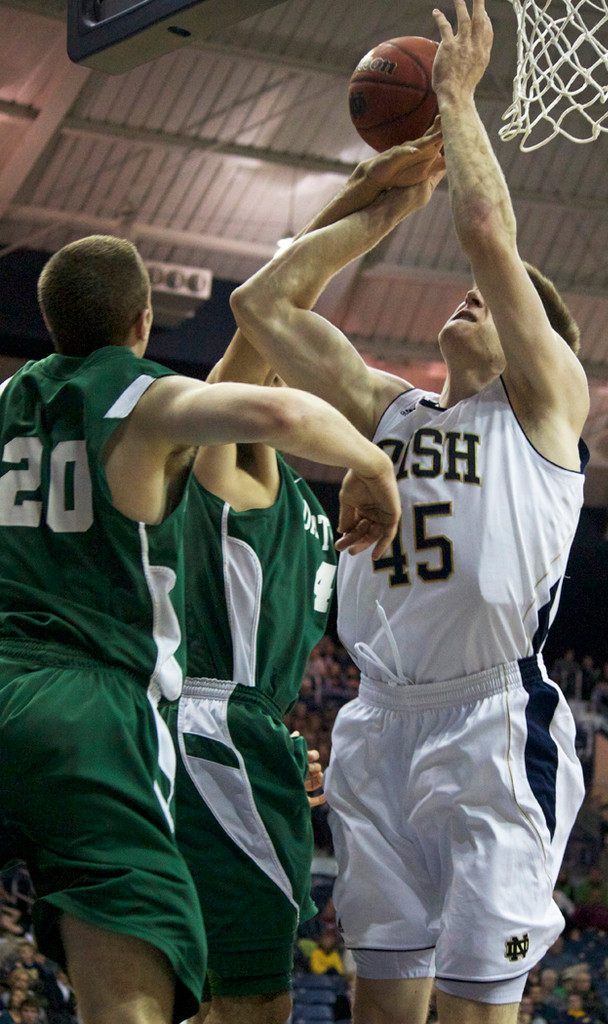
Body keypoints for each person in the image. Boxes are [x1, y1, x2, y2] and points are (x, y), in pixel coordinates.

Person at [230, 0, 590, 1019]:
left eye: (509, 298)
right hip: (375, 719)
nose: (480, 295)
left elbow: (484, 232)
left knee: (479, 1005)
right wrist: (378, 208)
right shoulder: (390, 411)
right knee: (382, 1005)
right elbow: (263, 307)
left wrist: (455, 99)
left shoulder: (545, 411)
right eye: (481, 293)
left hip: (489, 722)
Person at [0, 235, 402, 1024]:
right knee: (180, 991)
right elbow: (266, 363)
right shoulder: (196, 438)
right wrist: (377, 463)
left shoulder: (16, 403)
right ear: (143, 322)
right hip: (128, 712)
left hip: (65, 686)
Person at [164, 331, 338, 1024]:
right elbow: (224, 386)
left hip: (249, 733)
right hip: (217, 728)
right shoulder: (236, 483)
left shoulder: (303, 504)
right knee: (255, 1000)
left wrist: (278, 740)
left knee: (219, 994)